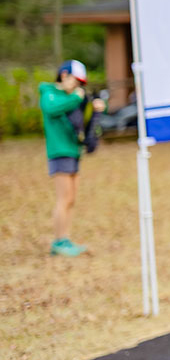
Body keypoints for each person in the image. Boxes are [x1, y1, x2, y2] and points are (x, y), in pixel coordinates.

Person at [39, 60, 104, 257]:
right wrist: (76, 98)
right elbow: (51, 108)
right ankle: (59, 241)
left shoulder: (72, 98)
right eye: (76, 81)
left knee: (71, 199)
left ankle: (65, 239)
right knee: (63, 198)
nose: (78, 87)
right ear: (64, 75)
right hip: (60, 151)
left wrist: (97, 107)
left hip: (74, 151)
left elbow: (82, 120)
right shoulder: (49, 93)